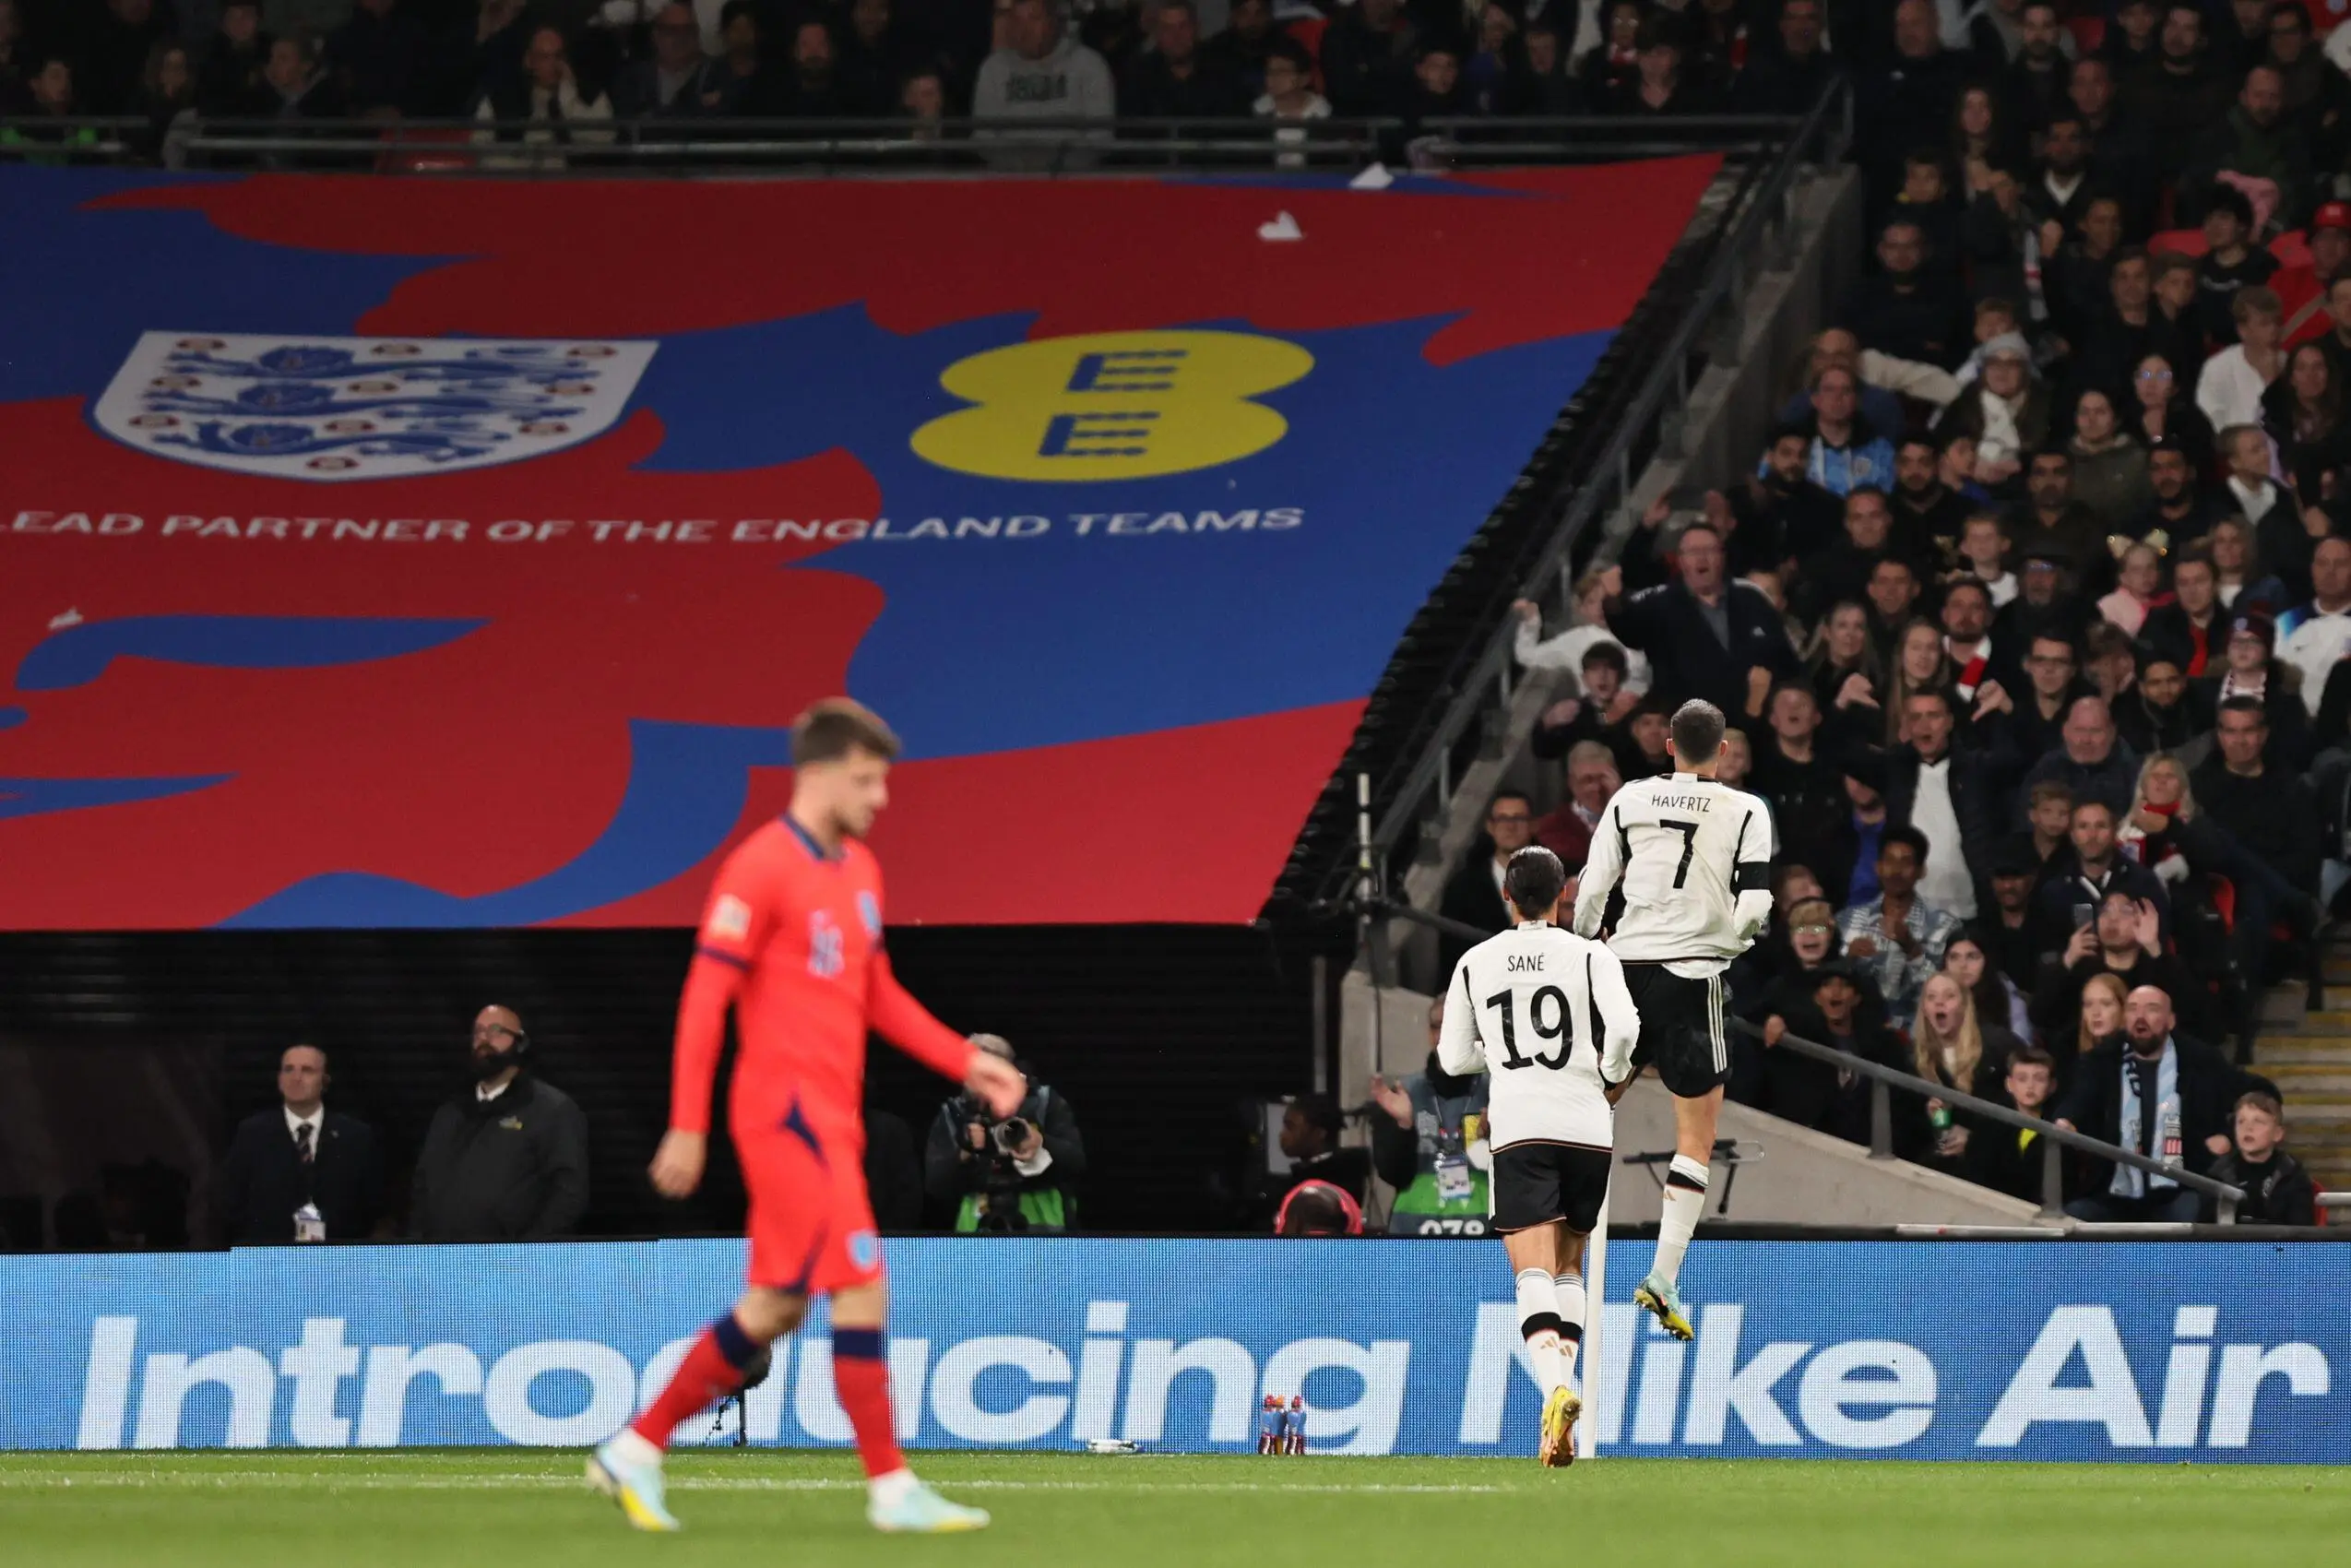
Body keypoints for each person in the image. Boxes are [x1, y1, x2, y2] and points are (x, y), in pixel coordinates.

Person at [595, 699, 1025, 1535]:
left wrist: (963, 1061)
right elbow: (704, 999)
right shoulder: (760, 868)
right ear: (819, 774)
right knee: (862, 1281)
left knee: (777, 1307)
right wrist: (688, 1122)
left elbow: (876, 993)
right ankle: (890, 1487)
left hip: (834, 1119)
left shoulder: (859, 871)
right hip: (783, 1115)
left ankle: (635, 1448)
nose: (881, 798)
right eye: (867, 780)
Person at [1573, 699, 1774, 1343]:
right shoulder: (1745, 809)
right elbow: (1756, 900)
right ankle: (1661, 1277)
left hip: (1625, 968)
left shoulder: (1630, 798)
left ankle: (1552, 1245)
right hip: (1694, 974)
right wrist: (1735, 941)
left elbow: (1593, 885)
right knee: (1694, 1137)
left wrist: (1585, 944)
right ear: (1723, 752)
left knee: (1586, 1111)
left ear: (1666, 744)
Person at [1440, 844, 1640, 1465]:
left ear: (1506, 895)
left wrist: (1499, 1054)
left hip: (1521, 1125)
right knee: (1569, 1267)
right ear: (1563, 895)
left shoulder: (1476, 960)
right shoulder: (1590, 955)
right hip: (1586, 1124)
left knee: (1530, 1272)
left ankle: (1557, 1389)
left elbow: (1451, 1059)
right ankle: (1561, 1420)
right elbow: (1627, 1029)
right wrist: (1606, 1071)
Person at [2055, 985, 2251, 1222]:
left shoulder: (2200, 1060)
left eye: (2152, 1010)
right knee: (2074, 1218)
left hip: (2180, 1187)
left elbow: (2255, 1093)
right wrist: (2067, 1120)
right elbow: (2078, 1099)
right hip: (2113, 1191)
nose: (2140, 1017)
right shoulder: (2101, 1061)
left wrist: (2228, 1134)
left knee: (2191, 1211)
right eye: (2133, 1009)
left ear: (2170, 1021)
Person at [410, 1005, 589, 1241]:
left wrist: (527, 1252)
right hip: (442, 1262)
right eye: (478, 1032)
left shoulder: (551, 1109)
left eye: (496, 1031)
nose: (484, 1039)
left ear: (521, 1042)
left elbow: (569, 1193)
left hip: (515, 1266)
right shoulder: (450, 1113)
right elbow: (421, 1188)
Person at [1598, 525, 1795, 719]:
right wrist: (1613, 601)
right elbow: (1629, 631)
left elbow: (1785, 659)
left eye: (1709, 550)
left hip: (1758, 723)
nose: (1702, 558)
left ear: (1723, 557)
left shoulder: (1751, 598)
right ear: (1681, 560)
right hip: (1693, 729)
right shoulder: (1658, 604)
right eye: (1692, 552)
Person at [215, 1043, 383, 1244]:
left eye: (307, 1070)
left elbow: (373, 1205)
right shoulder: (252, 1134)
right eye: (288, 1069)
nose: (296, 1078)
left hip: (339, 1259)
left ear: (325, 1081)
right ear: (279, 1080)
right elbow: (231, 1202)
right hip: (269, 1260)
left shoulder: (355, 1136)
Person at [923, 1033, 1084, 1232]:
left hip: (1043, 1231)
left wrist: (1040, 1143)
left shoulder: (1044, 1102)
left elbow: (1076, 1162)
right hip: (977, 1230)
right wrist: (965, 1152)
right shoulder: (954, 1113)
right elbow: (935, 1184)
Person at [1370, 997, 1491, 1236]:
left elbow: (1519, 1179)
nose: (1446, 1036)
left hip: (1484, 1241)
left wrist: (1493, 1142)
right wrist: (1403, 1126)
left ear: (1477, 1035)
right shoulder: (1403, 1094)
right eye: (1438, 1027)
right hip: (1414, 1237)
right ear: (1429, 1033)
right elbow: (1392, 1175)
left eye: (1457, 1027)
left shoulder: (1498, 1094)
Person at [1835, 826, 1965, 1026]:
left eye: (1906, 862)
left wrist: (1912, 950)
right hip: (1859, 1033)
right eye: (1889, 861)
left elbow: (1949, 995)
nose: (1896, 871)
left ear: (1921, 871)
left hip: (1920, 1034)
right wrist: (1848, 961)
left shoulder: (1946, 927)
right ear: (1878, 867)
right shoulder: (1847, 920)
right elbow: (1828, 985)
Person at [1440, 791, 1536, 973]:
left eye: (1519, 818)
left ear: (1532, 825)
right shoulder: (1462, 887)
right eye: (1502, 819)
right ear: (1490, 827)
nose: (1510, 827)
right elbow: (1451, 953)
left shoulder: (1557, 878)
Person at [1963, 1043, 2060, 1201]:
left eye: (2039, 1079)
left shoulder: (2059, 1128)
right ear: (2009, 1084)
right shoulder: (1989, 1125)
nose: (2030, 1086)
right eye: (2022, 1079)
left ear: (2052, 1085)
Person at [2203, 1090, 2317, 1224]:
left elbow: (2301, 1233)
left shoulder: (2292, 1175)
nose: (2248, 1128)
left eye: (2258, 1122)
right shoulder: (2218, 1174)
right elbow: (2204, 1231)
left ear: (2278, 1133)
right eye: (2241, 1122)